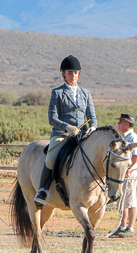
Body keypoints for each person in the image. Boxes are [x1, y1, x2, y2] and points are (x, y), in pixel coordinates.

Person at [34, 55, 97, 206]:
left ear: (79, 74)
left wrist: (92, 127)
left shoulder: (86, 93)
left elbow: (92, 117)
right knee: (51, 157)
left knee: (98, 155)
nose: (73, 75)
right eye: (69, 73)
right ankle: (42, 190)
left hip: (83, 134)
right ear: (63, 73)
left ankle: (103, 191)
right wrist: (67, 127)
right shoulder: (57, 92)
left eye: (75, 73)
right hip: (62, 134)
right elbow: (52, 118)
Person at [109, 113, 137, 238]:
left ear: (127, 124)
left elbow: (136, 156)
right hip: (123, 173)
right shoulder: (121, 136)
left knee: (131, 201)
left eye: (121, 122)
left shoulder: (133, 137)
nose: (118, 124)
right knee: (122, 201)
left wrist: (128, 169)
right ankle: (122, 226)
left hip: (130, 173)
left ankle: (130, 228)